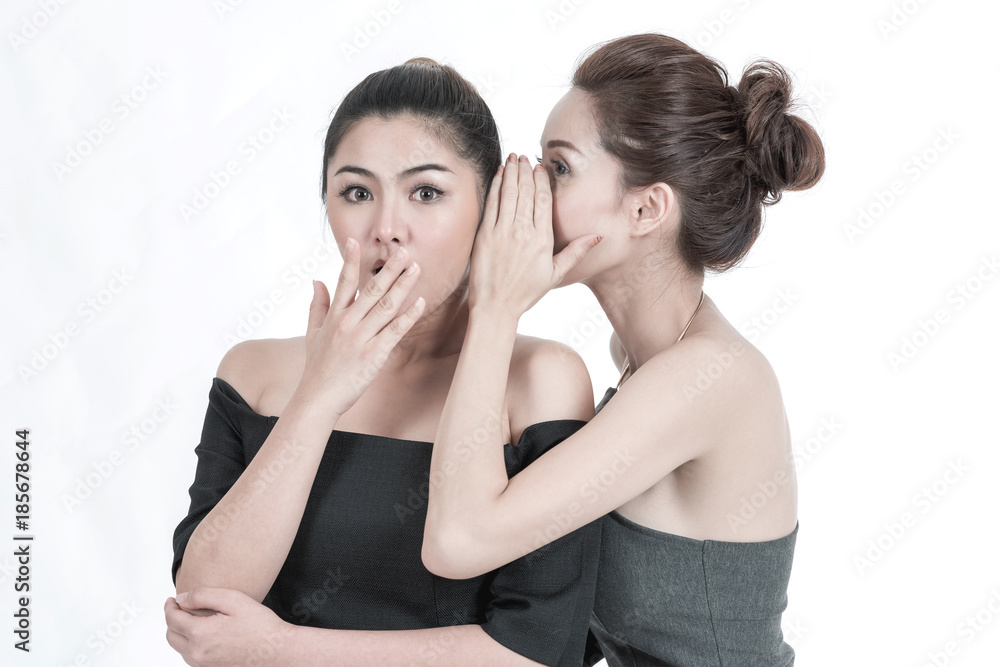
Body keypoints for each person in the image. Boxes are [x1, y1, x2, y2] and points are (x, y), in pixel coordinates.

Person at [163, 58, 601, 667]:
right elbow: (204, 605)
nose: (386, 229)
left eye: (426, 192)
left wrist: (281, 648)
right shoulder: (256, 374)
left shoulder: (542, 383)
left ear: (490, 207)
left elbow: (538, 649)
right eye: (356, 192)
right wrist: (318, 398)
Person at [423, 34, 825, 666]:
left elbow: (457, 540)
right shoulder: (637, 360)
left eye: (558, 167)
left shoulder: (710, 379)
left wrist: (497, 309)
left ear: (645, 208)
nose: (527, 184)